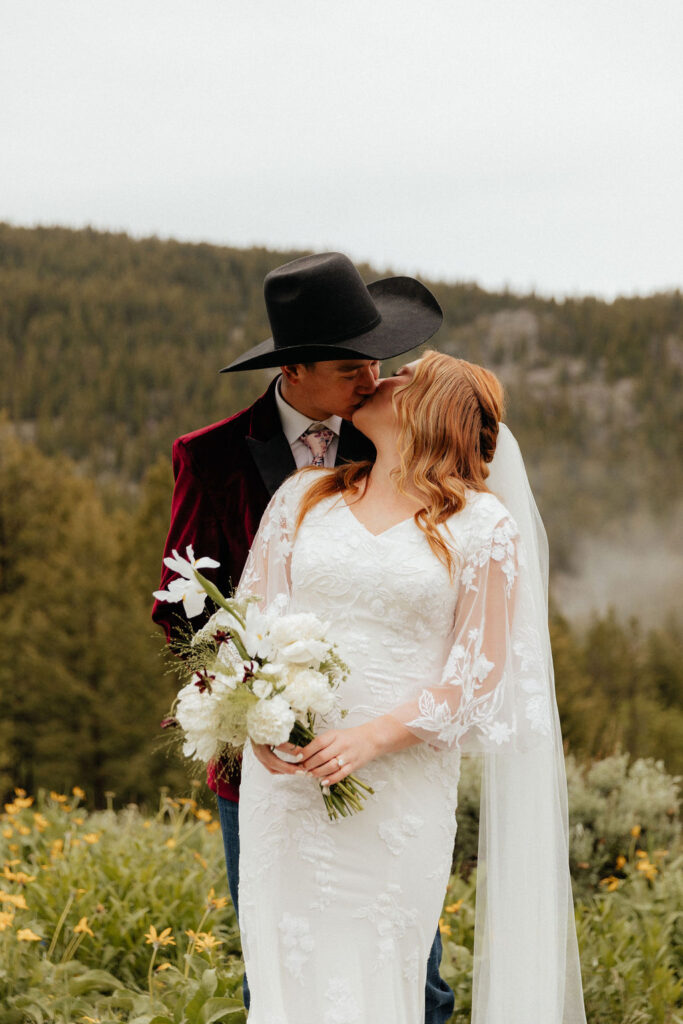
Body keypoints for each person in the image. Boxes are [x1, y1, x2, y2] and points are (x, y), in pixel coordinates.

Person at [235, 350, 587, 1023]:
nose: (376, 378)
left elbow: (477, 678)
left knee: (375, 972)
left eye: (400, 376)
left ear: (430, 408)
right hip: (287, 793)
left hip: (395, 792)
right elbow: (248, 629)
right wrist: (256, 722)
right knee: (286, 978)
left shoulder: (483, 528)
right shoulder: (301, 497)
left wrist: (371, 737)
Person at [152, 252, 454, 1020]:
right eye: (354, 368)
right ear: (297, 371)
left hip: (385, 762)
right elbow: (182, 607)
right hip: (268, 765)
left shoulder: (392, 443)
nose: (374, 382)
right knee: (282, 972)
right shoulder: (213, 454)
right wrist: (255, 705)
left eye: (377, 363)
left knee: (410, 975)